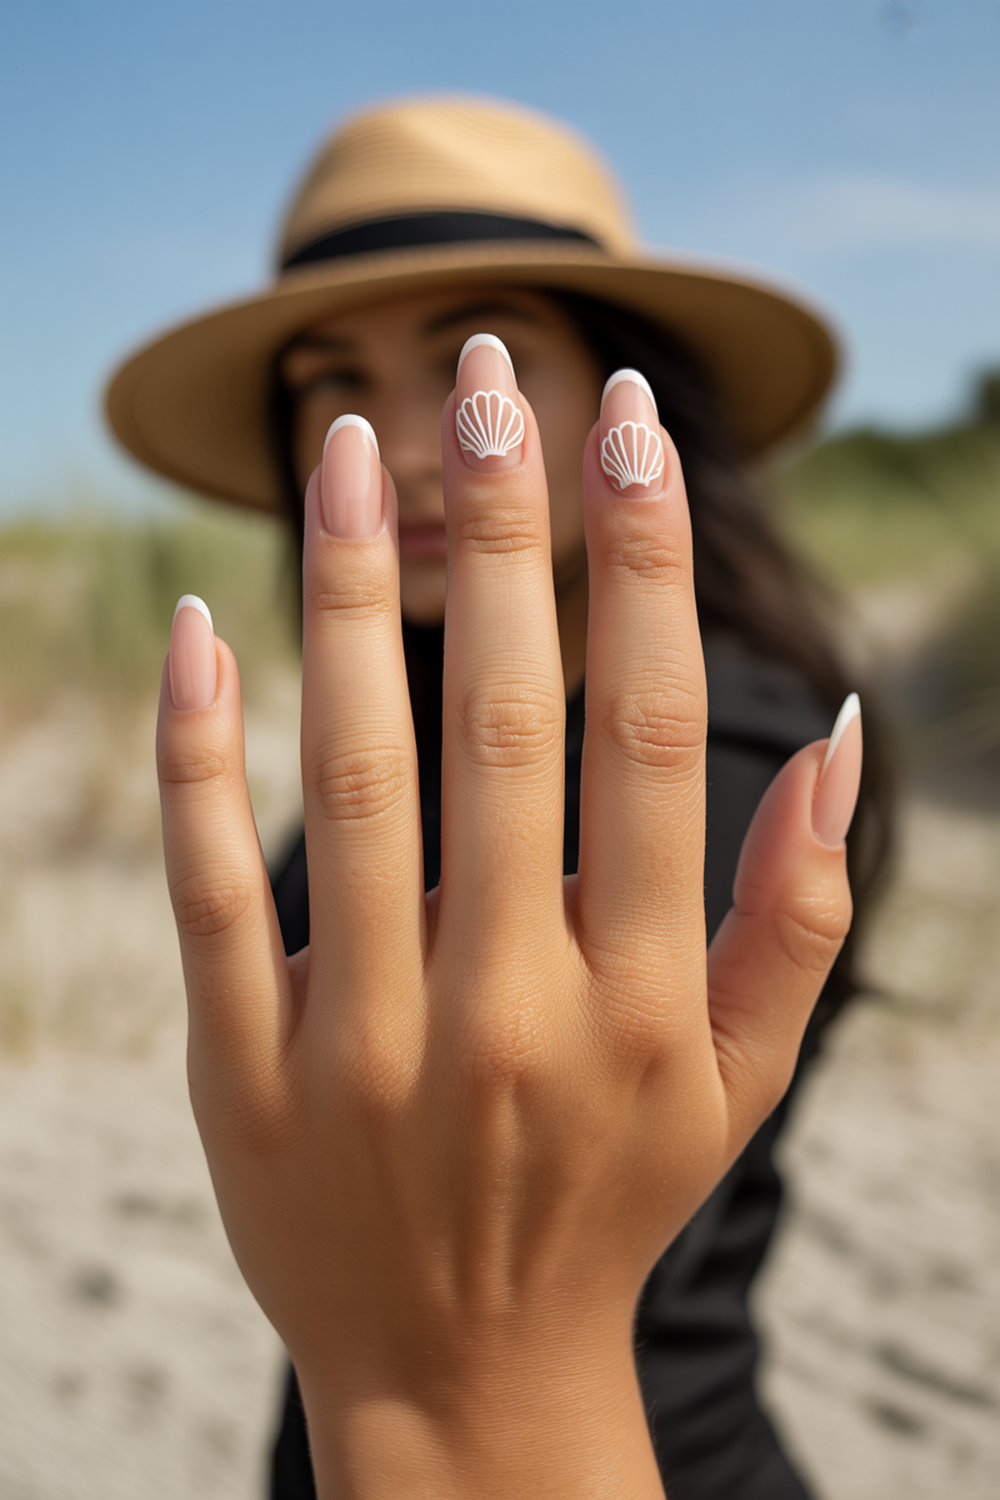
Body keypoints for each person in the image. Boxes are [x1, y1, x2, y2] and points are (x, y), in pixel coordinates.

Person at [108, 96, 886, 1498]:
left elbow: (517, 1289)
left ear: (617, 388)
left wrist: (419, 1395)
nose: (401, 439)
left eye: (483, 362)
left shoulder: (708, 768)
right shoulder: (410, 738)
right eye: (330, 382)